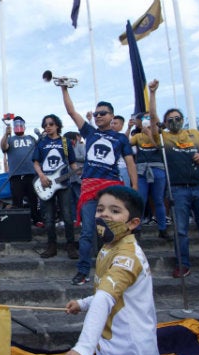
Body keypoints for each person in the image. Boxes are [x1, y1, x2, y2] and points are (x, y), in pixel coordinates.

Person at [60, 186, 159, 355]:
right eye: (100, 209)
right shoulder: (109, 247)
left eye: (115, 211)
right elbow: (109, 291)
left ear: (133, 223)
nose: (104, 214)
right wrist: (83, 303)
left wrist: (83, 348)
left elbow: (105, 297)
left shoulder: (127, 256)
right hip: (114, 350)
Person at [149, 79, 199, 279]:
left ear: (182, 119)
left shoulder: (194, 134)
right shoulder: (163, 137)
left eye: (177, 118)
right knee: (181, 231)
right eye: (170, 119)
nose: (174, 121)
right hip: (177, 189)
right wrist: (152, 94)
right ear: (166, 123)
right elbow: (152, 119)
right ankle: (182, 264)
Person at [59, 85, 137, 285]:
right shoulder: (90, 133)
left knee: (112, 231)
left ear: (112, 116)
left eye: (103, 113)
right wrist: (64, 89)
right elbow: (71, 111)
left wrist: (135, 189)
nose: (98, 116)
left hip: (111, 190)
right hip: (89, 189)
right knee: (87, 232)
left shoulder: (121, 138)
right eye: (96, 113)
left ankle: (114, 270)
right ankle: (83, 271)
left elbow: (130, 163)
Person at [32, 114, 78, 259]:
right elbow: (36, 162)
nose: (48, 127)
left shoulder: (65, 142)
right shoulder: (41, 143)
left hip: (64, 184)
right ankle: (51, 246)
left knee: (68, 216)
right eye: (45, 125)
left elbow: (72, 163)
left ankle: (71, 245)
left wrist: (80, 171)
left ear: (57, 125)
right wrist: (42, 176)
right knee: (49, 218)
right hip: (46, 183)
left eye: (51, 124)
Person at [129, 111, 171, 240]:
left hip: (158, 169)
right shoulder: (138, 136)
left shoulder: (161, 135)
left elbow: (161, 148)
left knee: (159, 200)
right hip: (142, 170)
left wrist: (150, 135)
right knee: (141, 200)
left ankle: (162, 228)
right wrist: (129, 128)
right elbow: (126, 144)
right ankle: (137, 229)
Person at [0, 116, 43, 228]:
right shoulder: (10, 139)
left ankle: (36, 219)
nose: (18, 126)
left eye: (20, 124)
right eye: (16, 125)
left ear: (24, 126)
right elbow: (3, 147)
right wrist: (6, 134)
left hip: (31, 174)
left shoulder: (31, 138)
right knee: (17, 200)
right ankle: (20, 222)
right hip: (16, 175)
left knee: (33, 199)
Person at [63, 131, 84, 223]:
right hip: (70, 177)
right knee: (71, 200)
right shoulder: (66, 149)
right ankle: (74, 219)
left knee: (80, 198)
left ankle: (83, 218)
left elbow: (85, 157)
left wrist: (72, 157)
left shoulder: (80, 146)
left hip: (79, 176)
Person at [110, 115, 131, 187]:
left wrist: (129, 128)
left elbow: (125, 139)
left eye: (115, 123)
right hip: (110, 169)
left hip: (122, 168)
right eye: (111, 123)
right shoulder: (106, 137)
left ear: (121, 125)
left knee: (125, 191)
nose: (112, 125)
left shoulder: (122, 137)